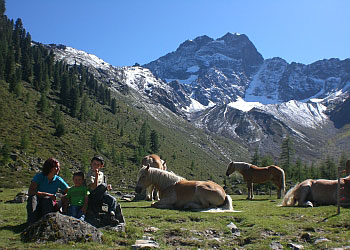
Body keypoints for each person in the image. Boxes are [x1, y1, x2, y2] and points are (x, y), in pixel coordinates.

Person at [26, 157, 69, 225]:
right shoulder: (39, 177)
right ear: (50, 167)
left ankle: (46, 223)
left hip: (48, 204)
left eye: (59, 167)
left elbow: (68, 190)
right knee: (32, 198)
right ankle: (32, 223)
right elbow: (31, 191)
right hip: (37, 201)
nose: (58, 169)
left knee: (47, 200)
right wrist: (48, 194)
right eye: (56, 167)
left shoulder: (58, 180)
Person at [86, 155, 124, 224]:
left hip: (103, 194)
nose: (96, 166)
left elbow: (104, 185)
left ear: (101, 166)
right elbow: (93, 187)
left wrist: (107, 187)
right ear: (91, 164)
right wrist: (97, 176)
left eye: (98, 165)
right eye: (94, 164)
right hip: (93, 194)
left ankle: (111, 215)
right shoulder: (89, 174)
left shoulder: (102, 174)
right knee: (103, 186)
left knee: (112, 199)